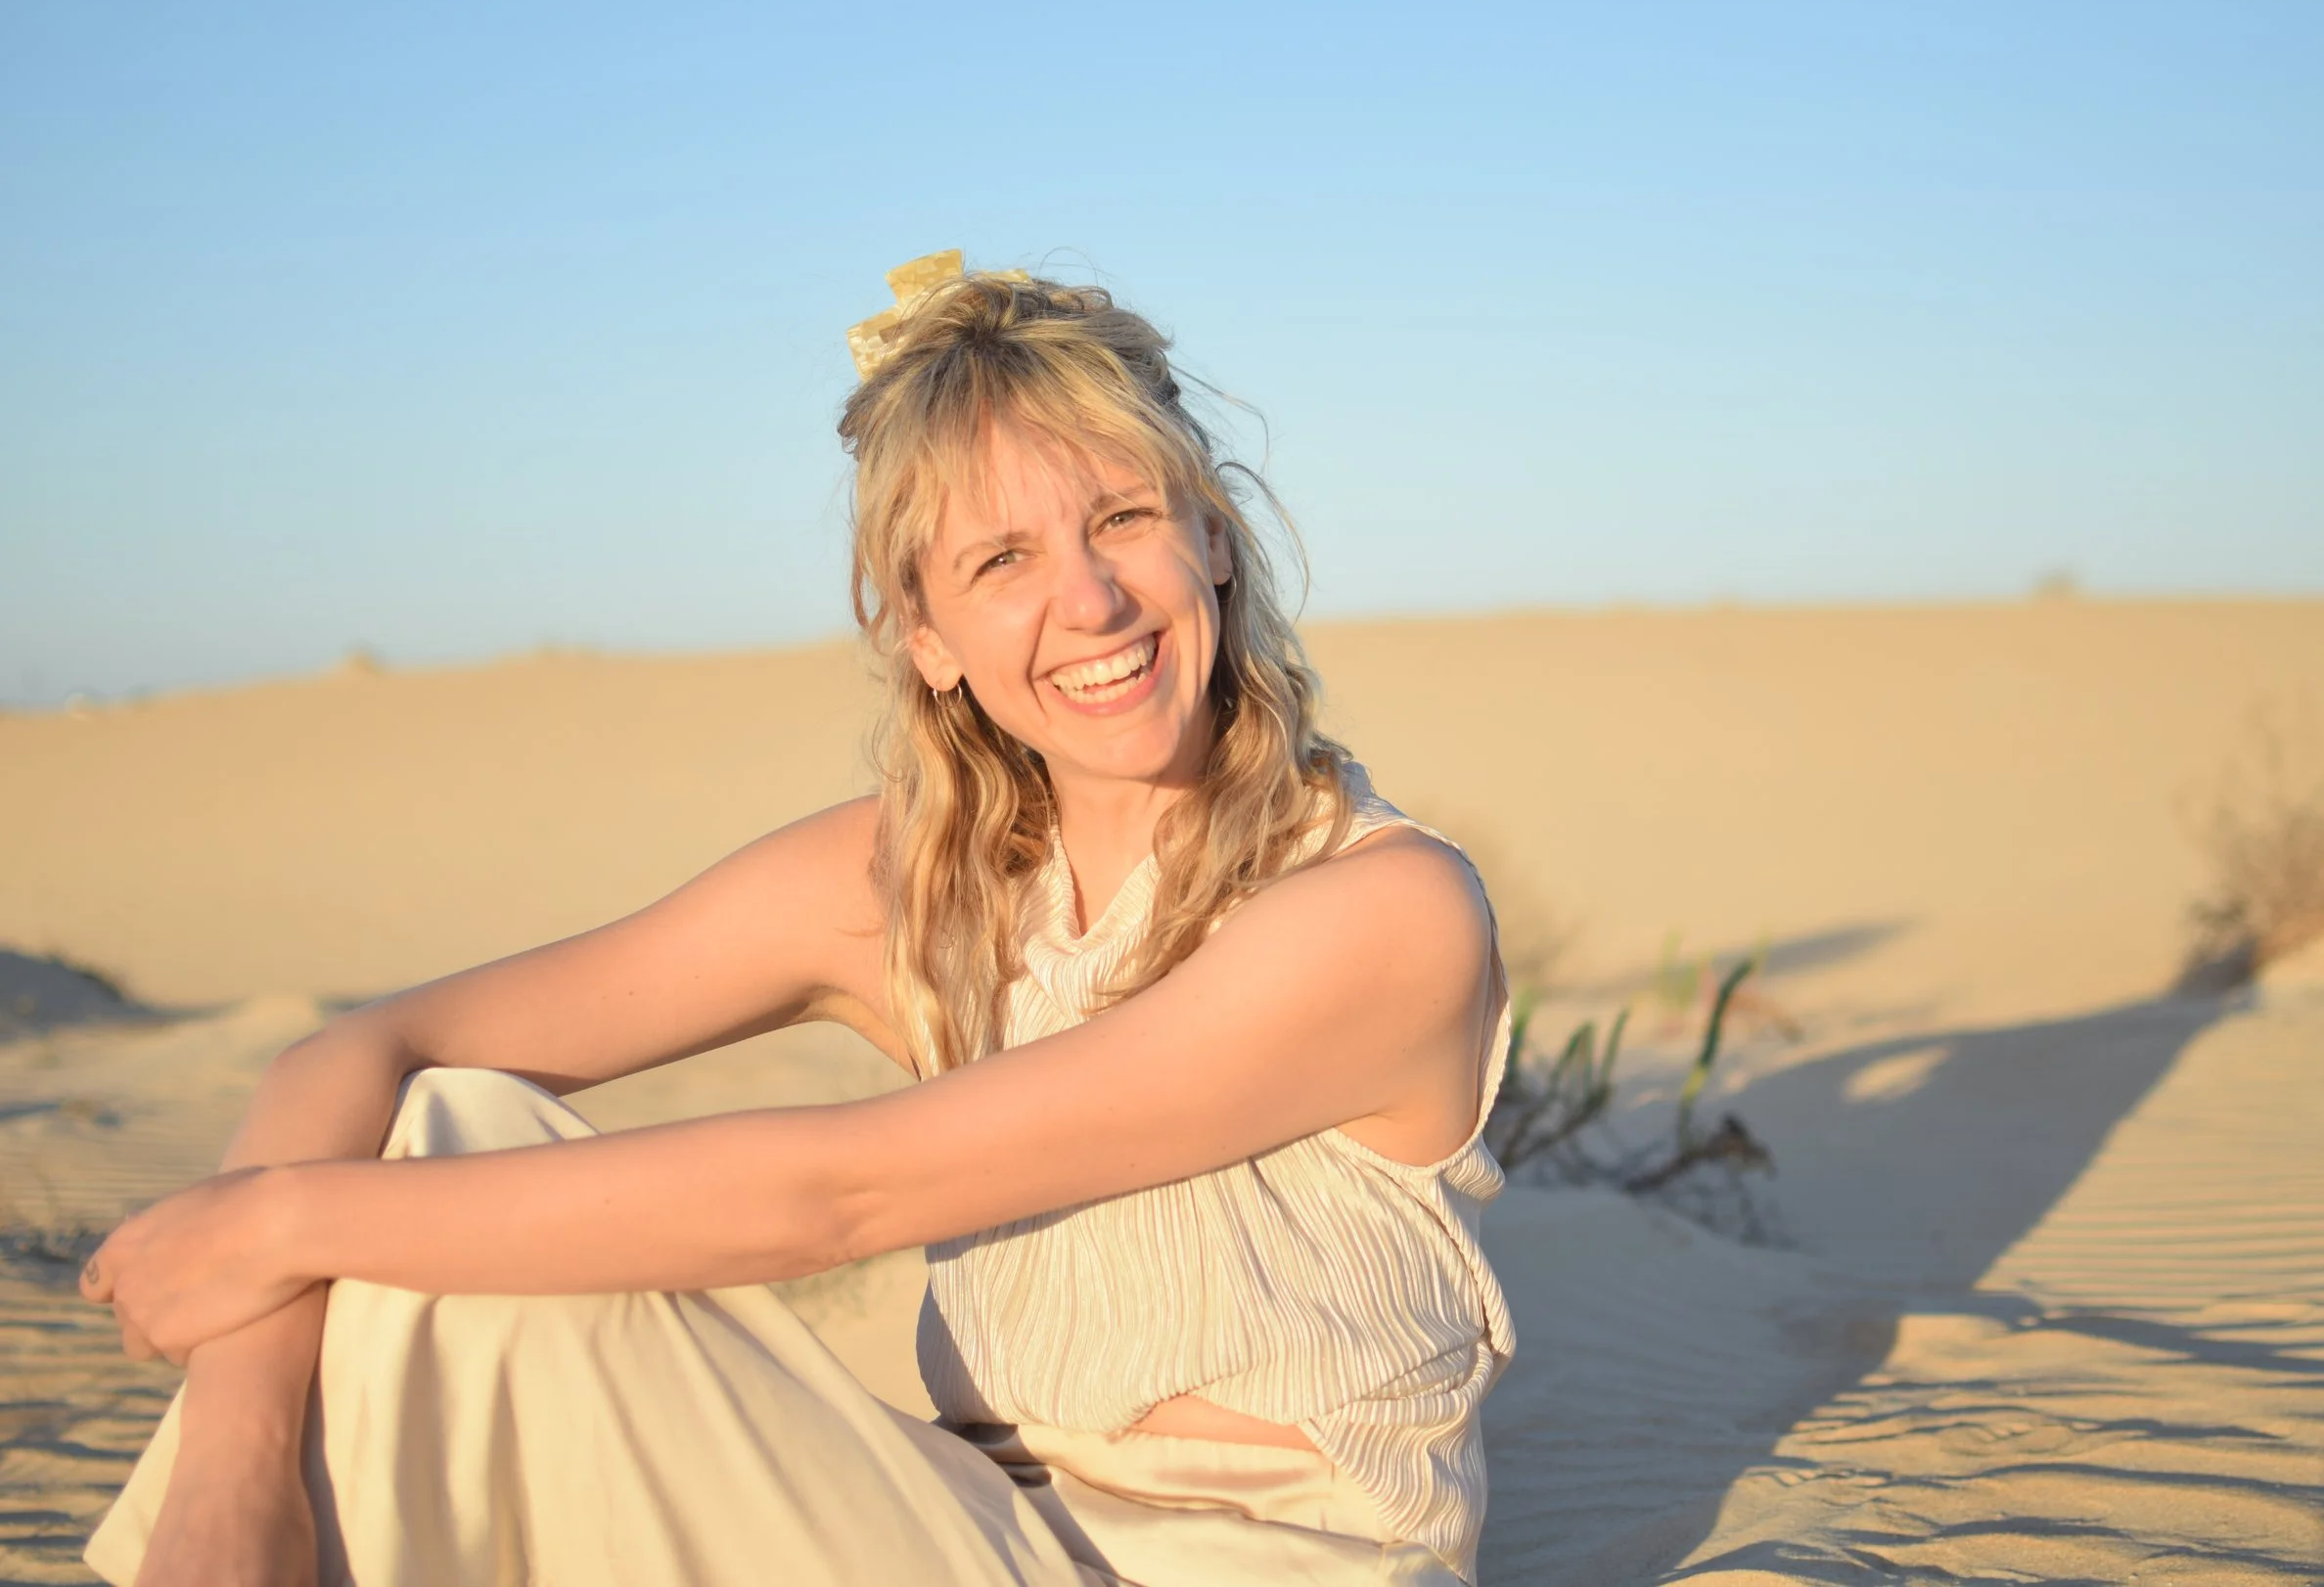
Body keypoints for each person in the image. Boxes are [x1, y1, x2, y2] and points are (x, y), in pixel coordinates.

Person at [79, 253, 1517, 1587]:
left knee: (407, 1198)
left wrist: (281, 1219)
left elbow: (842, 1193)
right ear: (928, 639)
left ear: (1211, 535)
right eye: (1001, 560)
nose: (1087, 599)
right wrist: (240, 1459)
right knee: (443, 1130)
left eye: (1123, 517)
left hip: (1260, 1564)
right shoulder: (911, 886)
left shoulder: (1381, 911)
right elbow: (375, 1049)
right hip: (973, 1530)